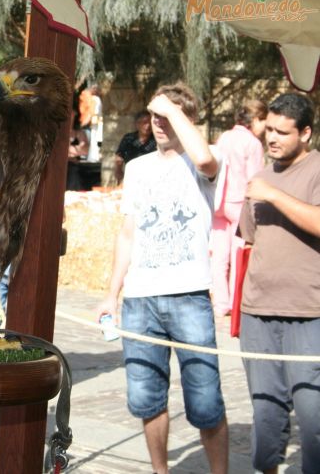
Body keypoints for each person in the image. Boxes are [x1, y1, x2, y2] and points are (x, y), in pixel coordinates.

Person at [97, 83, 228, 474]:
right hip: (141, 299)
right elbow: (127, 233)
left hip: (188, 297)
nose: (157, 124)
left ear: (184, 119)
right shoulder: (137, 168)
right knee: (145, 398)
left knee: (205, 401)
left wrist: (173, 110)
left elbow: (204, 159)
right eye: (154, 116)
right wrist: (111, 294)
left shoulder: (206, 158)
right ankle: (160, 471)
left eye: (166, 117)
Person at [237, 92, 320, 474]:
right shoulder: (259, 178)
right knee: (266, 417)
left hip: (310, 313)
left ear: (305, 133)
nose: (271, 138)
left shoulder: (317, 169)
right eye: (268, 128)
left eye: (282, 132)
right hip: (258, 314)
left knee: (313, 417)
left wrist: (274, 195)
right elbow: (250, 239)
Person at [209, 99, 266, 319]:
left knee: (219, 256)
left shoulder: (224, 137)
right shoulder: (253, 143)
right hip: (240, 202)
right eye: (264, 122)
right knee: (238, 253)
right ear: (255, 120)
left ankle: (221, 304)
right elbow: (255, 178)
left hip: (219, 202)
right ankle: (236, 302)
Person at [113, 110, 156, 184]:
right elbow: (119, 156)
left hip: (151, 177)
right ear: (137, 124)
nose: (148, 126)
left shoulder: (156, 140)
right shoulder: (129, 138)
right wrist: (118, 171)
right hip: (132, 177)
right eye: (144, 123)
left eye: (150, 123)